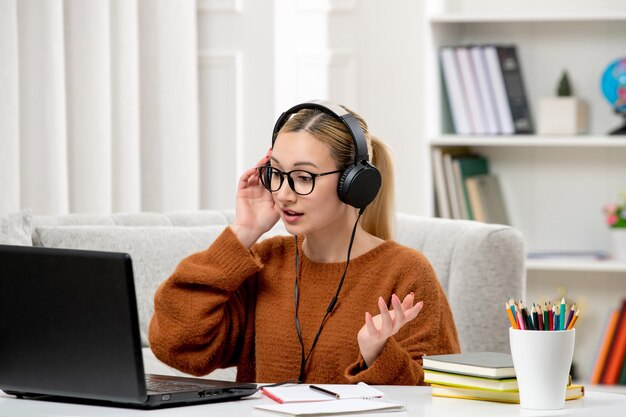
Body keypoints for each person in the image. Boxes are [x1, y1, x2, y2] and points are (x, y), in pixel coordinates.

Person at [149, 101, 460, 385]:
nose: (284, 193)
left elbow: (439, 397)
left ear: (353, 184)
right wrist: (243, 232)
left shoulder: (406, 272)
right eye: (278, 174)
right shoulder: (265, 262)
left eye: (303, 177)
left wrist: (377, 354)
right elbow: (175, 343)